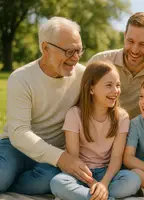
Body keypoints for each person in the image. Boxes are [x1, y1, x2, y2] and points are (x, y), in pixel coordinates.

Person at [0, 17, 94, 195]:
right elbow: (19, 132)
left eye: (78, 50)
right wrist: (62, 158)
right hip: (16, 147)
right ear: (45, 48)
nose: (75, 58)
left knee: (46, 182)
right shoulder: (21, 78)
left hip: (54, 152)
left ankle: (12, 183)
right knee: (1, 176)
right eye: (68, 51)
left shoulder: (83, 76)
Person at [50, 61, 141, 200]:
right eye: (108, 85)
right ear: (91, 89)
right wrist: (93, 183)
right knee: (58, 183)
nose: (115, 91)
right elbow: (73, 158)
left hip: (107, 173)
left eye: (117, 85)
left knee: (133, 179)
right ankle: (103, 197)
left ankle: (88, 196)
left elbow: (116, 158)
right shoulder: (74, 114)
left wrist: (103, 184)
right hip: (80, 173)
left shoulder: (122, 117)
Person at [87, 12, 144, 119]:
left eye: (143, 44)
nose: (134, 50)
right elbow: (82, 101)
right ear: (124, 36)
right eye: (130, 41)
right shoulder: (100, 61)